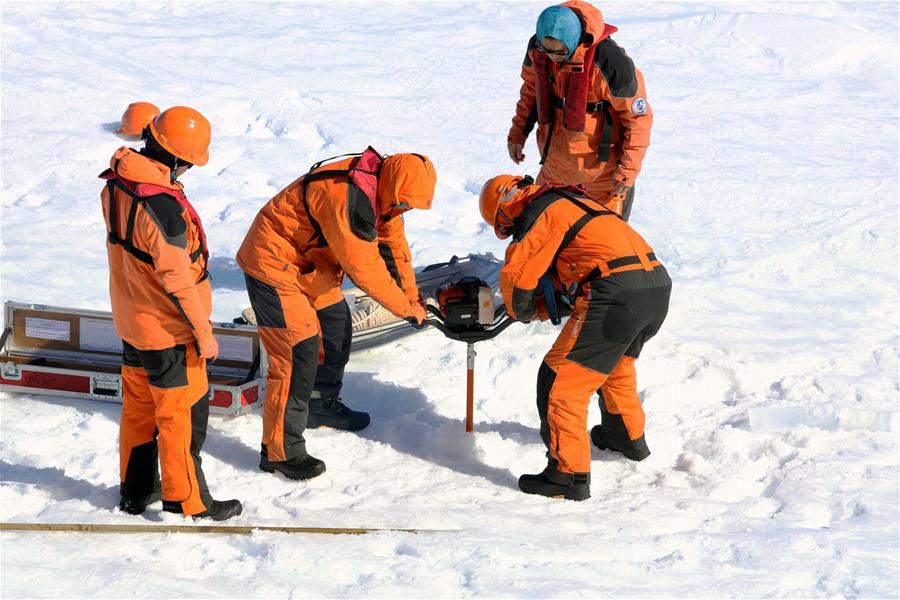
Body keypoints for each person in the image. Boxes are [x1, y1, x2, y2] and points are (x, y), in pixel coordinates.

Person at [236, 147, 434, 480]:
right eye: (404, 203)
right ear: (393, 186)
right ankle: (280, 452)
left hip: (311, 265)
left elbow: (394, 252)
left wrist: (414, 300)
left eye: (409, 206)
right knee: (297, 353)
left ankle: (319, 404)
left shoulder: (384, 195)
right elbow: (364, 268)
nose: (405, 209)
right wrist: (405, 311)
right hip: (273, 263)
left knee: (336, 328)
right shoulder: (346, 196)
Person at [479, 174, 671, 500]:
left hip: (615, 292)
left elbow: (518, 277)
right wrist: (542, 307)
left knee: (560, 380)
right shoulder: (572, 201)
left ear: (504, 213)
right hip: (654, 287)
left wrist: (521, 310)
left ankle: (567, 476)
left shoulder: (539, 211)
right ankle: (624, 437)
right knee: (613, 367)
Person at [100, 106, 242, 521]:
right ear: (178, 158)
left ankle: (136, 491)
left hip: (132, 321)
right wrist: (204, 333)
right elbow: (177, 280)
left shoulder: (118, 183)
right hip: (168, 331)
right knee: (182, 417)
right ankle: (188, 501)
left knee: (139, 411)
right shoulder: (162, 208)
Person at [507, 0, 652, 221]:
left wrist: (627, 172)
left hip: (602, 179)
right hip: (554, 170)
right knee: (542, 230)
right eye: (546, 50)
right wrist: (518, 134)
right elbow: (530, 93)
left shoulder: (611, 63)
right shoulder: (538, 50)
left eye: (559, 52)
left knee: (602, 239)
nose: (552, 57)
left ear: (573, 41)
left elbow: (638, 119)